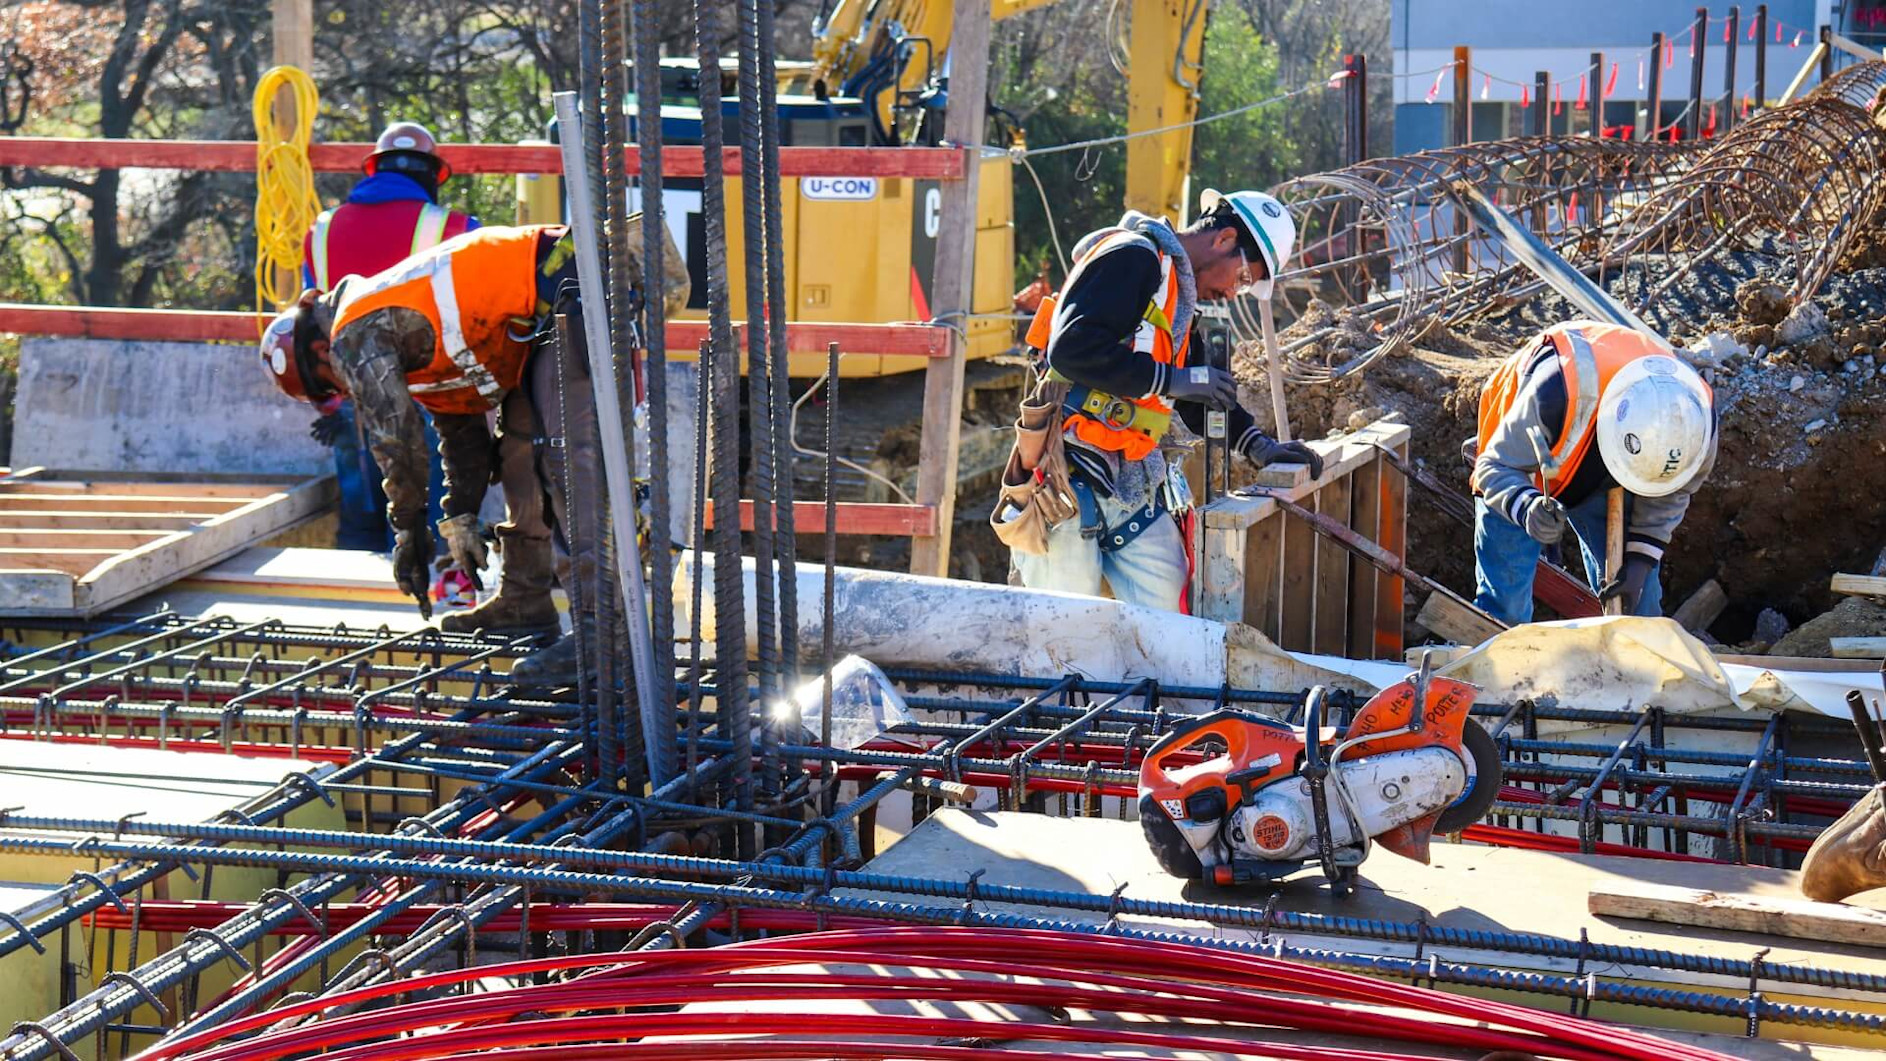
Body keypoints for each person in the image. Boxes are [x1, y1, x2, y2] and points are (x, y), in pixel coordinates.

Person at [258, 222, 687, 678]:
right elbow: (462, 432)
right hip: (538, 321)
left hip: (572, 283)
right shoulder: (406, 336)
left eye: (333, 384)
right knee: (519, 456)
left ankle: (607, 633)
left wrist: (408, 532)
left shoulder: (354, 333)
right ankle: (526, 601)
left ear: (323, 352)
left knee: (567, 460)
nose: (348, 388)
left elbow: (396, 440)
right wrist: (459, 514)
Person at [999, 189, 1322, 611]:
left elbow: (1201, 396)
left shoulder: (1177, 296)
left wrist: (1258, 445)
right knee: (1066, 625)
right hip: (1068, 472)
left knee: (1169, 603)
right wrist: (1170, 379)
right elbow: (1071, 349)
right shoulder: (1133, 258)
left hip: (1129, 478)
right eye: (1243, 279)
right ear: (1224, 239)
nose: (1233, 293)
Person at [300, 122, 478, 555]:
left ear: (373, 171)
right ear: (433, 175)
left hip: (350, 396)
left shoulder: (320, 231)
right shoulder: (457, 228)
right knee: (431, 522)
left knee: (361, 523)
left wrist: (327, 402)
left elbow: (307, 329)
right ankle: (434, 597)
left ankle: (351, 596)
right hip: (430, 396)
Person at [1469, 320, 1716, 626]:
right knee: (1505, 610)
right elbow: (1494, 467)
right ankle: (1493, 666)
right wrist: (1526, 507)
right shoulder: (1553, 397)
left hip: (1604, 463)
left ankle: (1631, 668)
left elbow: (1673, 491)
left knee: (1641, 611)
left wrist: (1638, 564)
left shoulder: (1698, 425)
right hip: (1520, 464)